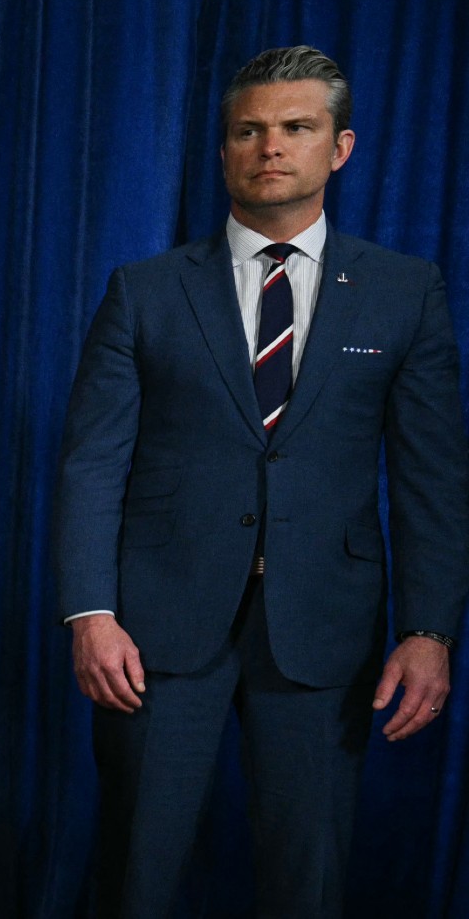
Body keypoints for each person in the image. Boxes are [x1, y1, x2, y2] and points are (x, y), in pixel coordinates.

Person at [54, 46, 469, 916]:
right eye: (248, 130)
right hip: (155, 635)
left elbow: (432, 479)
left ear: (340, 147)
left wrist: (430, 629)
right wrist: (90, 613)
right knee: (137, 876)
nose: (269, 146)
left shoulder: (405, 292)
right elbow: (92, 461)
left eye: (294, 128)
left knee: (306, 886)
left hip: (324, 632)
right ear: (224, 150)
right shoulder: (146, 291)